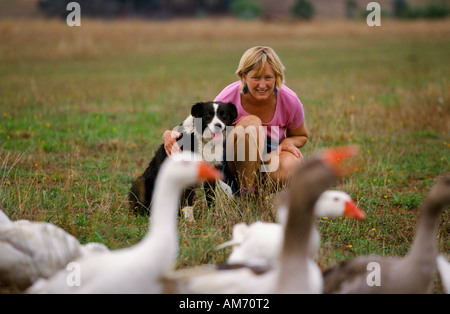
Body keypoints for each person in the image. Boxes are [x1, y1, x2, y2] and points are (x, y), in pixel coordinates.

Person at [163, 46, 308, 195]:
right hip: (236, 162)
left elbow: (301, 136)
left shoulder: (289, 100)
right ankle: (245, 192)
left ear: (277, 77)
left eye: (268, 77)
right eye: (256, 78)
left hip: (271, 157)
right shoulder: (228, 96)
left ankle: (262, 196)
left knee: (293, 163)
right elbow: (199, 123)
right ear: (243, 76)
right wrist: (170, 133)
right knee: (252, 124)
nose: (262, 85)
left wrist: (288, 142)